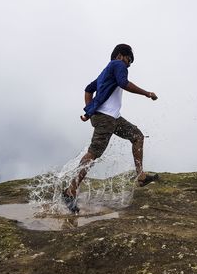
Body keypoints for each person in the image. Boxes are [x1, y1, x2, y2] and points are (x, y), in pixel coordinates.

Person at [63, 44, 158, 213]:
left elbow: (88, 89)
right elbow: (124, 83)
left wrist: (91, 110)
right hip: (106, 119)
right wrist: (147, 93)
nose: (128, 65)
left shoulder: (105, 72)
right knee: (93, 153)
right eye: (129, 61)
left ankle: (141, 176)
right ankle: (70, 190)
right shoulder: (117, 64)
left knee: (137, 136)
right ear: (121, 56)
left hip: (113, 118)